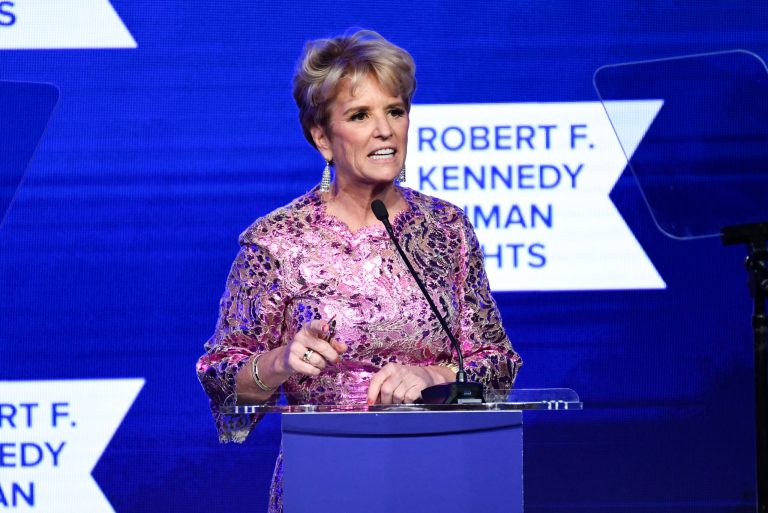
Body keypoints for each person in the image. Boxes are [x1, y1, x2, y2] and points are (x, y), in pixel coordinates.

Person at [196, 29, 522, 512]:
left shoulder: (447, 227)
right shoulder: (276, 242)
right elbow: (222, 382)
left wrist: (436, 374)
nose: (385, 130)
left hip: (444, 476)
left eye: (395, 111)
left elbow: (497, 361)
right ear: (322, 137)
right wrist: (282, 361)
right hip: (328, 483)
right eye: (359, 115)